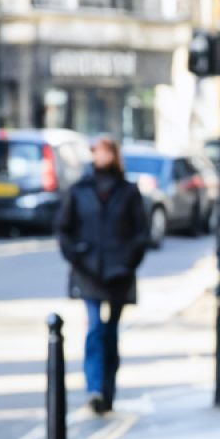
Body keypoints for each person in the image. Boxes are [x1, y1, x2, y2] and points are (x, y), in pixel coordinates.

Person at [55, 136, 151, 414]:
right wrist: (76, 255)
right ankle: (94, 388)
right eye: (98, 152)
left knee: (110, 332)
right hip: (89, 271)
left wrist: (130, 260)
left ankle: (108, 390)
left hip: (119, 272)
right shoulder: (80, 190)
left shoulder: (128, 191)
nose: (102, 157)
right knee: (95, 328)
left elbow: (141, 233)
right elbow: (63, 229)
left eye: (107, 152)